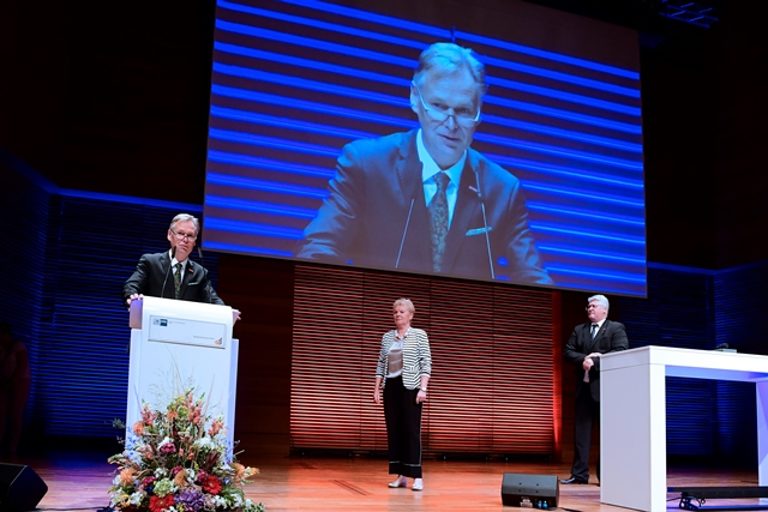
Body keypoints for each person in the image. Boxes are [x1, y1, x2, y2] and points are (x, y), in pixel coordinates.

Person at [296, 42, 552, 286]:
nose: (450, 124)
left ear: (478, 113)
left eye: (463, 111)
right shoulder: (366, 164)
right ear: (415, 98)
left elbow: (533, 278)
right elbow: (319, 250)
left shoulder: (502, 190)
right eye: (439, 106)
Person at [561, 294, 628, 485]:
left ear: (604, 310)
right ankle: (579, 474)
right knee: (581, 434)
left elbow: (621, 350)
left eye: (594, 306)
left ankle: (605, 476)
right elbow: (567, 351)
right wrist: (585, 359)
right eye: (588, 306)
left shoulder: (616, 328)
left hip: (606, 390)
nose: (589, 309)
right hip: (584, 388)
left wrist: (597, 360)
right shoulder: (579, 329)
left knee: (606, 435)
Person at [123, 213, 239, 319]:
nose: (185, 239)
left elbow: (212, 299)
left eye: (190, 235)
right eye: (180, 233)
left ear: (194, 241)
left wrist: (226, 312)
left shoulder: (200, 272)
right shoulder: (151, 262)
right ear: (169, 235)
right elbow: (132, 285)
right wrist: (132, 297)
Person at [374, 298, 432, 491]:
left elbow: (426, 362)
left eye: (401, 311)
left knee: (411, 431)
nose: (397, 314)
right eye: (395, 312)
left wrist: (423, 388)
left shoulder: (419, 335)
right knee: (395, 431)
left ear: (410, 315)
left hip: (411, 387)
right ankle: (400, 475)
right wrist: (376, 388)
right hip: (391, 387)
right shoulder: (387, 337)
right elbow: (381, 364)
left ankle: (417, 476)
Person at [0, 322, 31, 458]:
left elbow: (22, 366)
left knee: (15, 414)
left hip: (19, 382)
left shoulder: (18, 346)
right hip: (3, 382)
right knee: (1, 414)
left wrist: (13, 382)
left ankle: (13, 447)